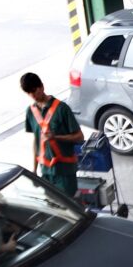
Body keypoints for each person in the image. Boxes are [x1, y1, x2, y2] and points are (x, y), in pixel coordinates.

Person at [22, 72, 83, 200]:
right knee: (51, 204)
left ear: (41, 87)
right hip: (46, 172)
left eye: (34, 91)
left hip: (64, 172)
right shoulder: (31, 111)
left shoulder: (62, 109)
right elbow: (36, 141)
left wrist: (56, 137)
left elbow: (79, 137)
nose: (32, 95)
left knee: (68, 204)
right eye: (28, 93)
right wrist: (34, 169)